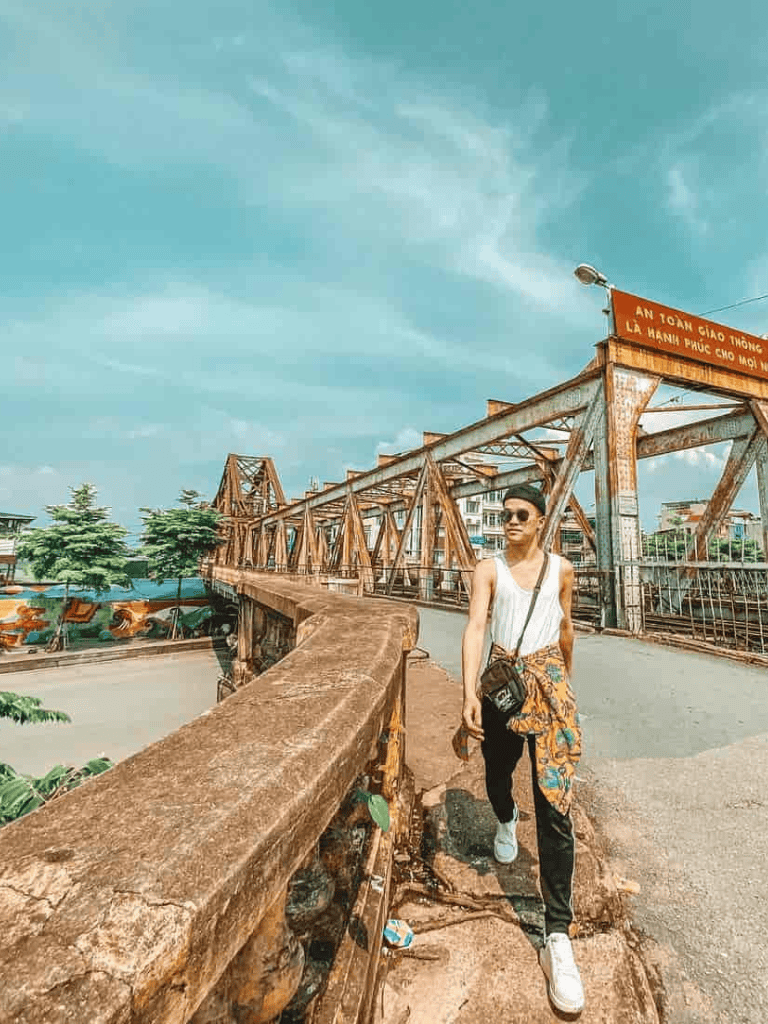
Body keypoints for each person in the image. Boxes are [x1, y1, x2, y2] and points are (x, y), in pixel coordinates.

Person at [460, 483, 584, 1015]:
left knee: (556, 807)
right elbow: (476, 626)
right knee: (496, 774)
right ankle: (506, 820)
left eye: (520, 515)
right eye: (505, 515)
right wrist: (467, 691)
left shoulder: (562, 570)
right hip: (503, 687)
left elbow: (566, 628)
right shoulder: (488, 569)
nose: (509, 522)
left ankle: (558, 933)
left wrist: (565, 686)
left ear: (539, 523)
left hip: (549, 688)